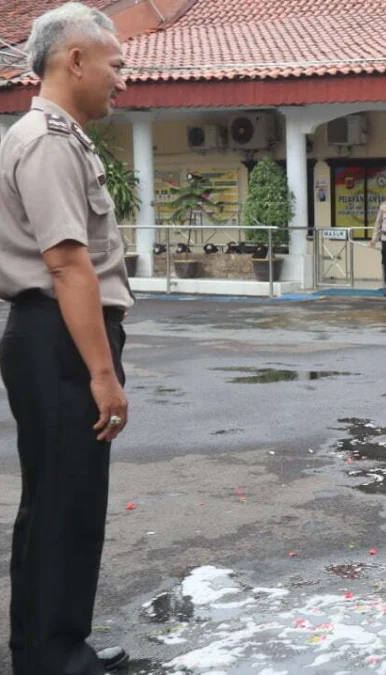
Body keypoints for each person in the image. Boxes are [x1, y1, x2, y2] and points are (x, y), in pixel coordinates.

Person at [0, 4, 133, 671]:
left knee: (66, 498)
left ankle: (52, 645)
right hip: (59, 335)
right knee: (62, 501)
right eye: (116, 64)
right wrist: (102, 373)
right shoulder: (48, 139)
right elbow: (67, 263)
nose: (122, 80)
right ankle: (52, 656)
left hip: (58, 333)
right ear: (73, 59)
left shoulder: (61, 135)